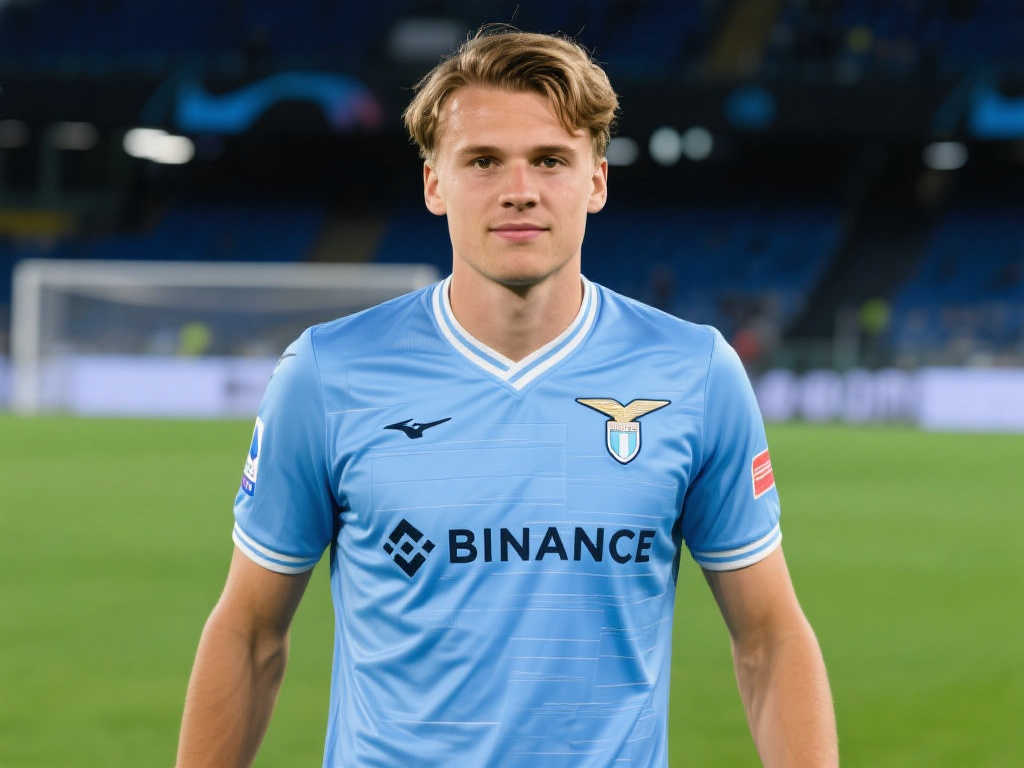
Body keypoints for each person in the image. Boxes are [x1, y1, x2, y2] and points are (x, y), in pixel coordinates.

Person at [175, 28, 838, 768]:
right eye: (483, 161)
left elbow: (769, 641)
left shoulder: (694, 374)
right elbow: (250, 636)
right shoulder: (330, 374)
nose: (519, 189)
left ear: (597, 181)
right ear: (435, 184)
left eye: (550, 159)